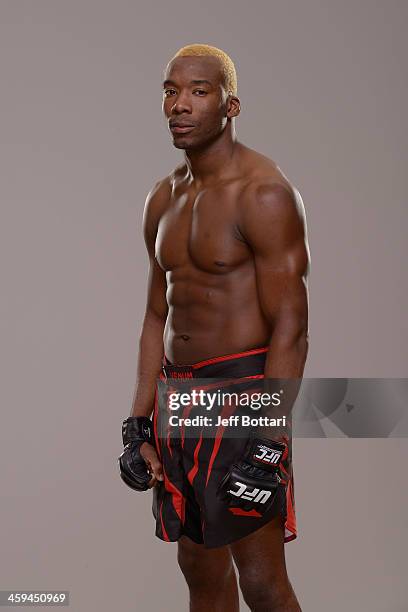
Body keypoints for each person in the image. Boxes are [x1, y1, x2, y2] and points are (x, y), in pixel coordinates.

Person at [119, 43, 310, 612]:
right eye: (170, 91)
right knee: (198, 573)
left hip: (245, 398)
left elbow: (291, 330)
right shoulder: (162, 198)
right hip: (179, 399)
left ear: (231, 106)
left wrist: (269, 441)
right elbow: (158, 314)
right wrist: (137, 422)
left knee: (261, 582)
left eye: (199, 92)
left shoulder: (264, 193)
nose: (180, 105)